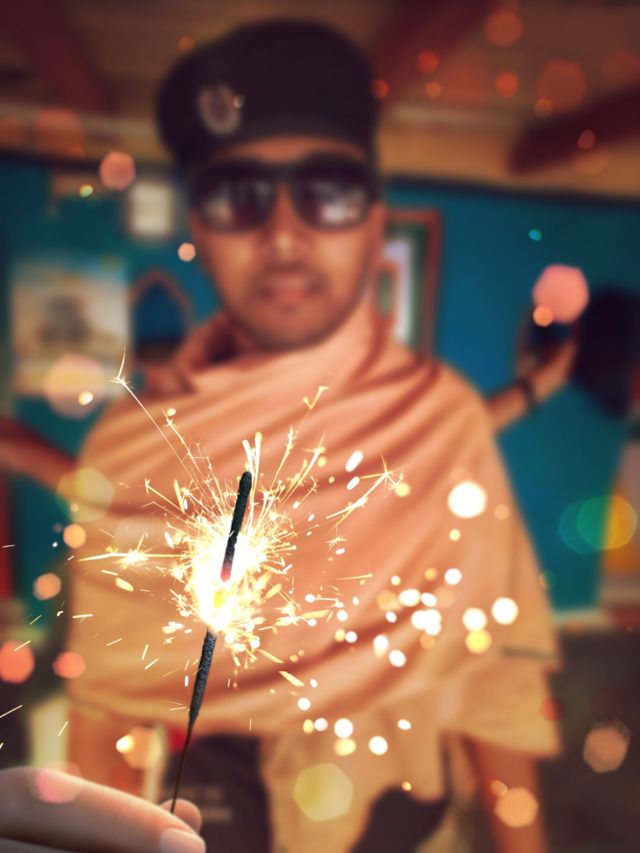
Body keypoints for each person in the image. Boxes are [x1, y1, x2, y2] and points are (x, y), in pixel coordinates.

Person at [1, 20, 561, 853]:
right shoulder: (129, 446)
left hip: (400, 822)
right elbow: (108, 711)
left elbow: (497, 683)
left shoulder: (445, 421)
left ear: (373, 222)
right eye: (240, 194)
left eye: (328, 191)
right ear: (201, 229)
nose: (286, 234)